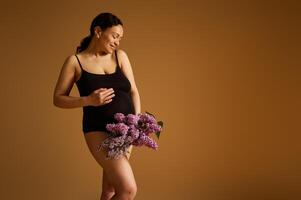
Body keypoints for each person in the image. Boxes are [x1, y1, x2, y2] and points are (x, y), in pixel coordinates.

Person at [53, 12, 141, 200]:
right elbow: (58, 98)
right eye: (115, 36)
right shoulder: (75, 62)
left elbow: (133, 91)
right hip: (98, 130)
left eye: (120, 38)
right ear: (98, 31)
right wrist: (87, 100)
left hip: (125, 130)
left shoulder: (120, 57)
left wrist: (135, 125)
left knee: (110, 191)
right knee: (127, 189)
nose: (118, 42)